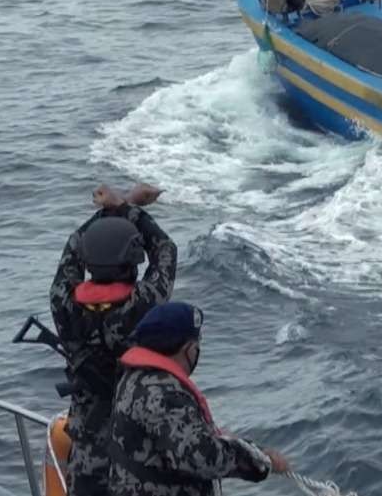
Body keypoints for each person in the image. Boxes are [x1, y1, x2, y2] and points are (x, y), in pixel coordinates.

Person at [50, 183, 178, 496]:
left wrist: (114, 210)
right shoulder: (143, 305)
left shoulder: (63, 303)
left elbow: (74, 246)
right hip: (139, 460)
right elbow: (164, 249)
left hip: (88, 461)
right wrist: (125, 207)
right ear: (134, 257)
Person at [107, 302, 290, 496]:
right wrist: (259, 460)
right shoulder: (166, 395)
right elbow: (202, 457)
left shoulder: (135, 377)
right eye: (197, 343)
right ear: (186, 348)